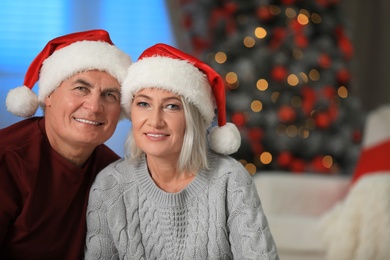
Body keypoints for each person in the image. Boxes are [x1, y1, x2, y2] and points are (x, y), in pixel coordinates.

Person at [85, 43, 279, 259]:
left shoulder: (229, 179)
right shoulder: (110, 185)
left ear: (192, 118)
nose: (155, 121)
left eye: (172, 106)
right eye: (143, 104)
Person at [0, 29, 132, 259]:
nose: (94, 107)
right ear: (48, 95)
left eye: (110, 95)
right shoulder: (7, 158)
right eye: (81, 88)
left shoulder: (114, 174)